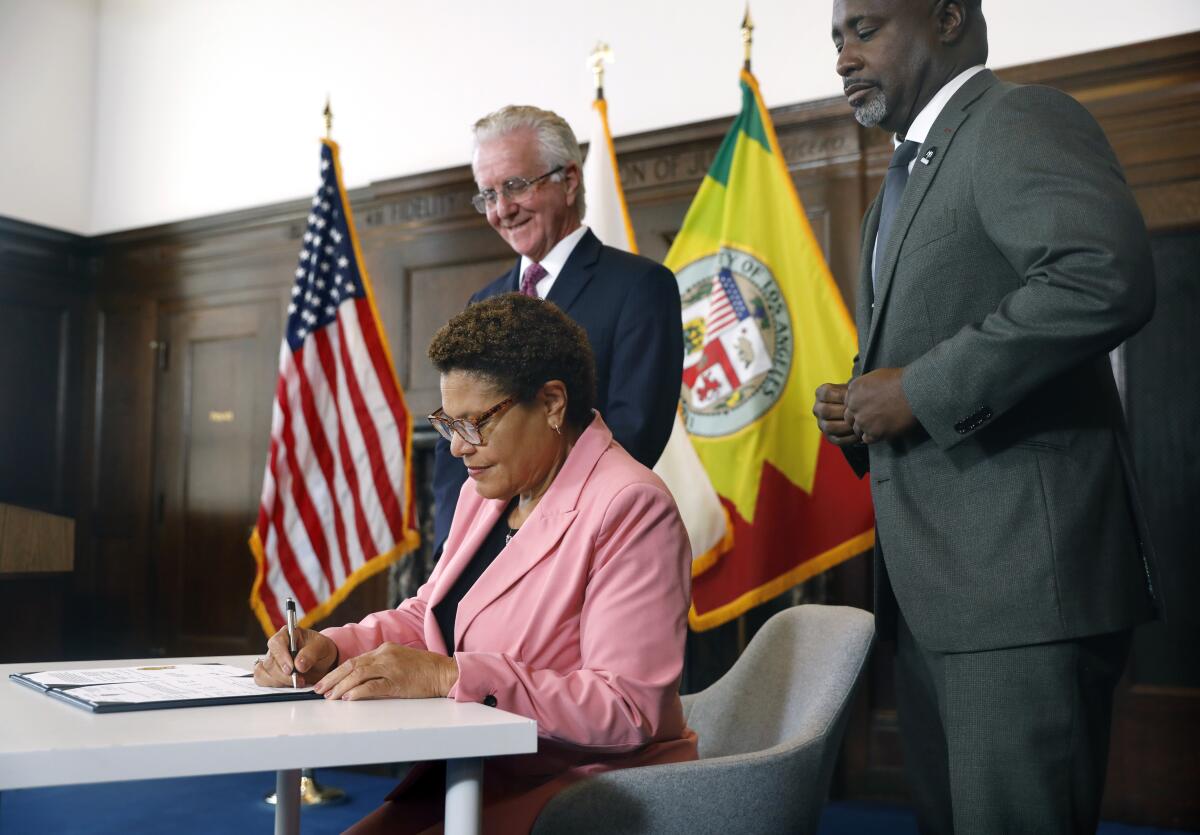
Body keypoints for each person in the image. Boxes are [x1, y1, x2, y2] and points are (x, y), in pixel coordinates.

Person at [814, 1, 1160, 832]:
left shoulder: (1016, 120)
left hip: (1022, 592)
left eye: (863, 29)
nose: (842, 58)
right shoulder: (897, 182)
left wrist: (918, 392)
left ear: (946, 18)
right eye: (835, 40)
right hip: (938, 595)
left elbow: (1101, 275)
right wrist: (864, 407)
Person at [255, 293, 697, 834]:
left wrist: (449, 675)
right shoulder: (489, 491)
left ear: (554, 402)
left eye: (476, 423)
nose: (459, 448)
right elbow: (431, 616)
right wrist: (335, 647)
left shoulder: (630, 505)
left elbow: (627, 708)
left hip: (584, 789)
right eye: (449, 423)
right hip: (479, 770)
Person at [430, 104, 682, 557]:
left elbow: (633, 434)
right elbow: (456, 436)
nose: (502, 209)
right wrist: (459, 547)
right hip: (480, 555)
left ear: (568, 181)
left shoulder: (641, 287)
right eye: (487, 194)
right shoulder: (482, 303)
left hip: (582, 549)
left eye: (515, 186)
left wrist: (532, 535)